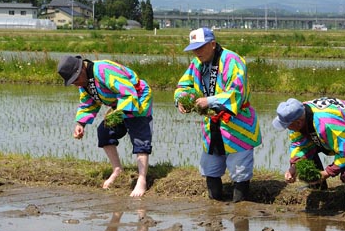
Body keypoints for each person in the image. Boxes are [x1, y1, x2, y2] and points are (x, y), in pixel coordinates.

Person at [174, 27, 261, 202]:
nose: (197, 52)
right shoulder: (197, 63)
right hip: (212, 124)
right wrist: (182, 99)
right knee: (210, 167)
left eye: (200, 47)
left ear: (213, 44)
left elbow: (237, 92)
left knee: (240, 169)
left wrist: (209, 101)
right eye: (194, 49)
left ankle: (241, 207)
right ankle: (214, 208)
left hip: (237, 124)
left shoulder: (232, 60)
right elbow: (184, 86)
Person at [57, 55, 153, 197]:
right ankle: (117, 169)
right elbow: (88, 102)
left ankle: (142, 179)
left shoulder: (104, 70)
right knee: (104, 132)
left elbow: (127, 91)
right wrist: (81, 123)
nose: (76, 84)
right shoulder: (84, 83)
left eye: (76, 79)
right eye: (73, 82)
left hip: (137, 99)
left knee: (139, 138)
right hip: (119, 104)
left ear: (81, 69)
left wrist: (119, 113)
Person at [272, 96, 345, 214]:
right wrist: (294, 167)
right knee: (307, 154)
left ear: (298, 122)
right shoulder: (298, 113)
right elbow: (300, 145)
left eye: (287, 125)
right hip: (337, 129)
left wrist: (327, 172)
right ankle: (320, 190)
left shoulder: (326, 123)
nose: (287, 128)